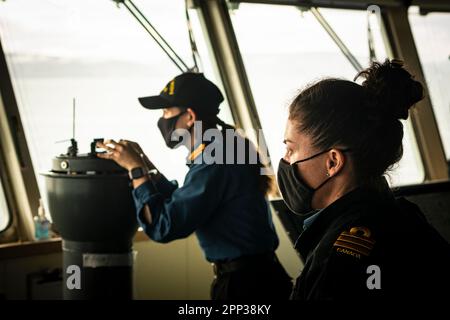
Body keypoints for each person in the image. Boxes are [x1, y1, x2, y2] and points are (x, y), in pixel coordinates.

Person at [97, 72, 292, 300]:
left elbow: (164, 225)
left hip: (246, 287)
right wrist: (147, 165)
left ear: (189, 117)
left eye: (167, 111)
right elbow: (186, 202)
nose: (162, 119)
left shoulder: (216, 160)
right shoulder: (223, 149)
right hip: (258, 279)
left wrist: (136, 171)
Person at [276, 59, 450, 300]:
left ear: (333, 162)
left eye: (290, 149)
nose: (285, 160)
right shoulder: (403, 215)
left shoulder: (339, 259)